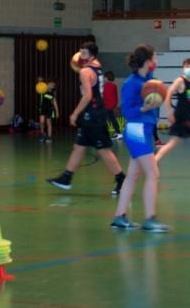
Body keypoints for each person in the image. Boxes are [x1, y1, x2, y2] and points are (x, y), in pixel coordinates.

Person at [47, 41, 126, 195]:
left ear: (91, 55)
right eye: (80, 52)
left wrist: (75, 113)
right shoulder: (97, 66)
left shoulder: (85, 71)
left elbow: (88, 95)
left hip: (94, 114)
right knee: (79, 146)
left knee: (103, 149)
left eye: (84, 53)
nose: (81, 55)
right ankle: (66, 178)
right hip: (94, 112)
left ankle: (121, 179)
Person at [111, 44, 170, 232]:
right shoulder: (131, 83)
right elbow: (126, 111)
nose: (157, 61)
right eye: (155, 58)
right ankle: (150, 219)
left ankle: (120, 216)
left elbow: (158, 95)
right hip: (136, 129)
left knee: (134, 175)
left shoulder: (150, 80)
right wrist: (143, 108)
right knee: (153, 173)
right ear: (147, 62)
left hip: (145, 129)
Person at [103, 71, 122, 140]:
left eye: (104, 77)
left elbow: (104, 96)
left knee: (105, 120)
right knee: (113, 119)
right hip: (111, 106)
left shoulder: (105, 86)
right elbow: (115, 96)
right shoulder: (114, 85)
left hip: (106, 106)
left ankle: (104, 134)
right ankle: (118, 133)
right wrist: (115, 104)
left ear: (106, 78)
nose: (104, 78)